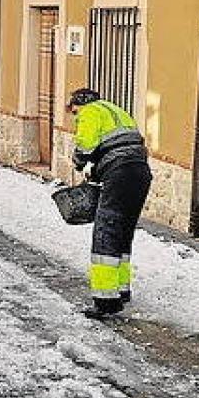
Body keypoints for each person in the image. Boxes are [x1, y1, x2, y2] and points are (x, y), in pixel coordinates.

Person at [68, 89, 153, 317]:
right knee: (123, 232)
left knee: (106, 231)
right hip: (140, 171)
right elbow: (119, 145)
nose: (75, 117)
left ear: (80, 104)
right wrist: (97, 169)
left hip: (119, 172)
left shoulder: (89, 112)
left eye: (74, 112)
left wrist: (78, 161)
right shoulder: (117, 112)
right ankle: (122, 291)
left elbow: (85, 146)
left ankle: (105, 301)